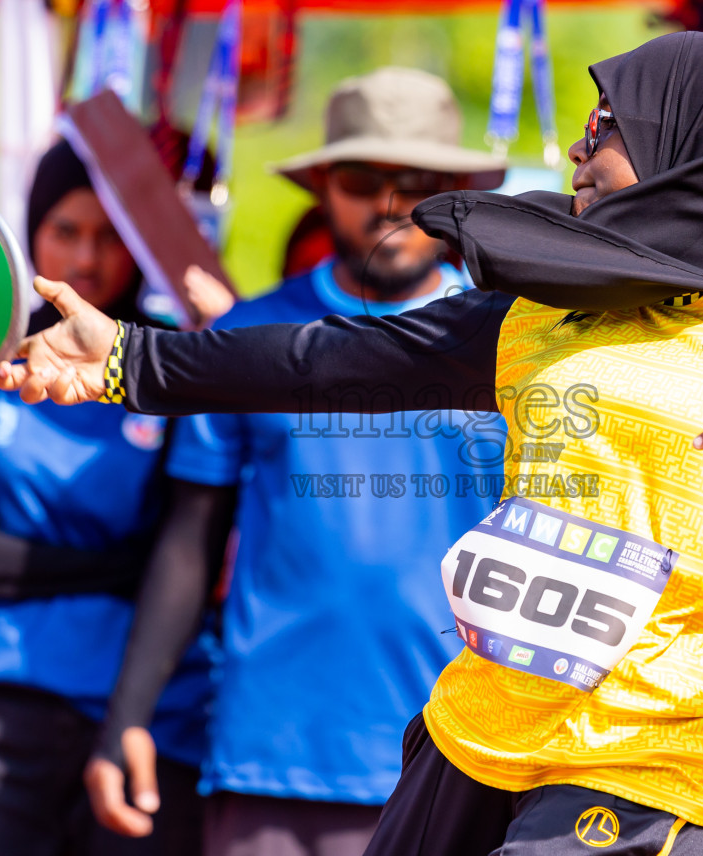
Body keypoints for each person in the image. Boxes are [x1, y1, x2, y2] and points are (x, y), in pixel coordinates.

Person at [0, 32, 703, 855]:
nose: (578, 147)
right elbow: (329, 363)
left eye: (607, 126)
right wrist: (124, 359)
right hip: (476, 733)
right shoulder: (541, 312)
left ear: (685, 151)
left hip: (654, 763)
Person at [84, 67, 509, 856]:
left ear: (454, 191)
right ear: (320, 185)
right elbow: (190, 539)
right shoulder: (249, 339)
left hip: (458, 753)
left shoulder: (510, 347)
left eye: (416, 181)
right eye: (361, 178)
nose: (390, 203)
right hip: (273, 754)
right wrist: (127, 717)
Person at [0, 140, 216, 856]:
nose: (87, 258)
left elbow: (187, 552)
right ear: (30, 239)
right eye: (65, 232)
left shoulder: (180, 367)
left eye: (110, 235)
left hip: (144, 718)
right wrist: (122, 565)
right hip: (0, 709)